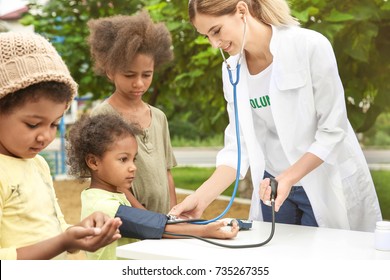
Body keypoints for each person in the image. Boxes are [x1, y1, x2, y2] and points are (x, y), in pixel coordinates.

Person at [169, 0, 382, 232]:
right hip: (273, 186)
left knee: (326, 261)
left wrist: (288, 177)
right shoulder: (232, 69)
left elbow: (333, 131)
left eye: (216, 31)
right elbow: (237, 148)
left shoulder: (310, 46)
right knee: (277, 261)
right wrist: (200, 199)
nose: (214, 43)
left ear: (242, 10)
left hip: (322, 180)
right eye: (206, 36)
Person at [0, 32, 122, 260]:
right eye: (33, 124)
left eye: (54, 124)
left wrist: (77, 234)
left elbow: (52, 231)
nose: (45, 136)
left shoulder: (38, 164)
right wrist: (62, 242)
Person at [65, 113, 239, 260]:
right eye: (123, 159)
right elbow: (152, 225)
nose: (133, 167)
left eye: (134, 159)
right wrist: (206, 230)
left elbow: (152, 222)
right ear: (93, 162)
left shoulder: (111, 195)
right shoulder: (101, 206)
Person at [87, 11, 177, 214]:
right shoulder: (103, 116)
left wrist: (173, 215)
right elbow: (110, 180)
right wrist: (145, 218)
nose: (139, 83)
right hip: (130, 222)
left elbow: (167, 172)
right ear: (110, 71)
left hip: (162, 223)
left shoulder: (159, 117)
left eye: (147, 75)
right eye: (129, 75)